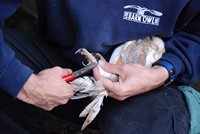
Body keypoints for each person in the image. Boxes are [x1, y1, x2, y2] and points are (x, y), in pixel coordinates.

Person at [0, 0, 200, 133]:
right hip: (63, 67)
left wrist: (164, 70)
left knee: (141, 121)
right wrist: (25, 84)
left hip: (147, 82)